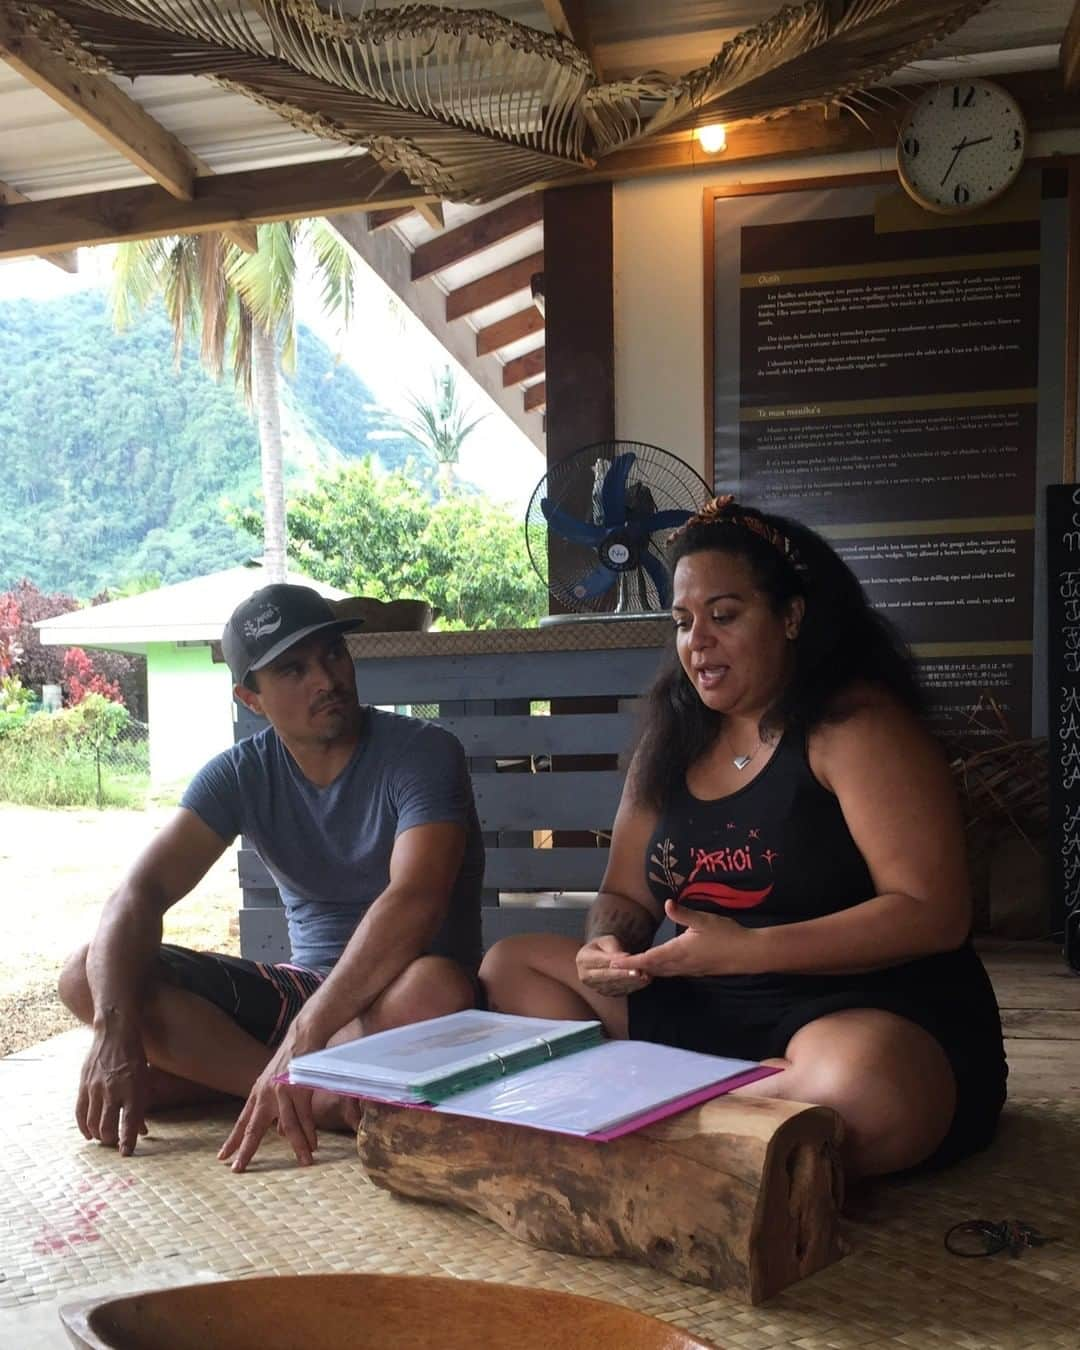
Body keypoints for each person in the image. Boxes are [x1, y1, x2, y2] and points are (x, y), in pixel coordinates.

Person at [480, 497, 1006, 1179]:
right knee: (511, 964)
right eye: (683, 622)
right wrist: (604, 948)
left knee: (862, 1087)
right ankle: (726, 1117)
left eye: (724, 617)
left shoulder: (855, 727)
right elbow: (622, 895)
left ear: (790, 617)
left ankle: (639, 1115)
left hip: (856, 1008)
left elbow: (933, 912)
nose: (697, 641)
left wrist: (750, 949)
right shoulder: (671, 740)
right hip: (706, 1009)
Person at [59, 583, 484, 1172]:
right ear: (250, 697)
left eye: (332, 653)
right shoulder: (239, 774)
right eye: (292, 669)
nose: (325, 679)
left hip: (395, 1003)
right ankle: (311, 1096)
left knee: (437, 986)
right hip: (302, 994)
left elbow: (414, 899)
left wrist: (303, 1040)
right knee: (88, 972)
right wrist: (112, 1030)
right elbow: (140, 892)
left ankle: (259, 1082)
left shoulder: (423, 752)